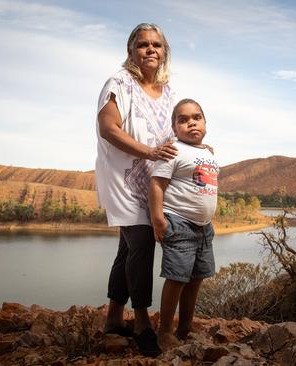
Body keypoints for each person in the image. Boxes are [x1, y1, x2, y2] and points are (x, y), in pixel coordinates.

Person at [95, 23, 177, 357]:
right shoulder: (118, 83)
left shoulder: (167, 90)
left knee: (127, 249)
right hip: (124, 177)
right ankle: (142, 320)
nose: (150, 50)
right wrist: (149, 153)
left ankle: (114, 318)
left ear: (164, 51)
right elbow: (108, 128)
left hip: (154, 181)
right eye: (143, 44)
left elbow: (174, 135)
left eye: (156, 44)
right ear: (131, 50)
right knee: (142, 242)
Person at [148, 99, 219, 351]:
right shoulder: (173, 150)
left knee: (196, 278)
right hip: (179, 223)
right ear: (174, 127)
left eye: (196, 117)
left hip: (204, 227)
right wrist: (158, 219)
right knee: (177, 278)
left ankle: (185, 326)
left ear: (205, 123)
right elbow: (156, 184)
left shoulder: (208, 152)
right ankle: (165, 331)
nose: (191, 122)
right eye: (183, 119)